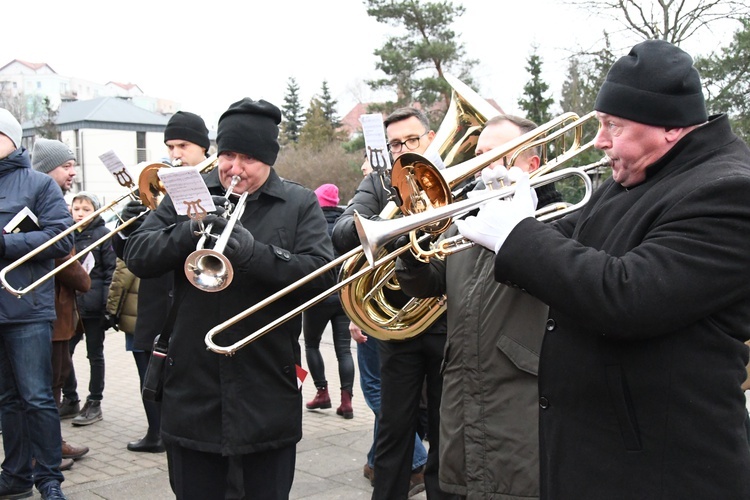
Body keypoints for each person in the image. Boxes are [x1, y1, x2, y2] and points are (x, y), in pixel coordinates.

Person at [456, 39, 750, 498]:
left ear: (670, 128)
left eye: (614, 125)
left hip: (661, 471)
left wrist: (517, 235)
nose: (600, 141)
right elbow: (573, 237)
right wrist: (519, 213)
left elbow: (629, 296)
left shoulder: (729, 190)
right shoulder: (641, 172)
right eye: (600, 124)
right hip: (597, 457)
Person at [123, 97, 334, 499]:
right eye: (228, 155)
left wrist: (256, 254)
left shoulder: (298, 203)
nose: (234, 169)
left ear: (269, 159)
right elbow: (137, 254)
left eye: (249, 158)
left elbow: (321, 279)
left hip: (265, 385)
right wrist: (187, 231)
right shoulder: (188, 194)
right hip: (192, 388)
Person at [395, 114, 561, 498]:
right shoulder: (463, 221)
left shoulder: (560, 220)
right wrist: (408, 242)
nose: (481, 165)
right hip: (461, 400)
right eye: (480, 153)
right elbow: (428, 283)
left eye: (497, 154)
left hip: (519, 405)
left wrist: (522, 235)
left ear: (531, 165)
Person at [332, 107, 455, 499]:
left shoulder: (459, 178)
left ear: (432, 138)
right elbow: (341, 231)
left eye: (411, 140)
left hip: (448, 321)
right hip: (398, 324)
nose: (403, 148)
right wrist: (393, 225)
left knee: (445, 429)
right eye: (395, 143)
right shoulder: (380, 182)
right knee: (393, 428)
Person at [110, 110, 212, 453]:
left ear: (204, 148)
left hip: (193, 300)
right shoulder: (165, 190)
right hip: (154, 298)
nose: (175, 154)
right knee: (149, 371)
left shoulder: (217, 183)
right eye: (170, 146)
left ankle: (177, 435)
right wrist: (128, 226)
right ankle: (157, 432)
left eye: (183, 145)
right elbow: (130, 254)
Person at [0, 108, 73, 500]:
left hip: (26, 308)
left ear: (11, 139)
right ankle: (14, 476)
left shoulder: (38, 185)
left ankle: (48, 480)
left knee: (37, 397)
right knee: (8, 400)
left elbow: (62, 238)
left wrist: (5, 244)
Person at [32, 138, 92, 470]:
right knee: (46, 385)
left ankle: (51, 442)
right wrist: (84, 280)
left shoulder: (52, 196)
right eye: (66, 166)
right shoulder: (45, 199)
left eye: (73, 165)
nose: (73, 172)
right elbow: (60, 255)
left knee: (54, 380)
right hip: (50, 311)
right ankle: (42, 449)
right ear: (46, 169)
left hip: (60, 312)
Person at [63, 191, 116, 426]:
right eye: (76, 209)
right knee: (64, 353)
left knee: (95, 355)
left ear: (95, 210)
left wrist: (106, 307)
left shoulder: (103, 235)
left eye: (86, 209)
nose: (80, 214)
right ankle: (70, 397)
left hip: (93, 306)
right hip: (70, 307)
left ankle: (94, 401)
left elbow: (110, 273)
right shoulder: (67, 235)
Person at [302, 183, 355, 418]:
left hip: (318, 297)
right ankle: (347, 402)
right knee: (344, 350)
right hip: (343, 296)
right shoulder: (346, 225)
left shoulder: (311, 224)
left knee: (311, 344)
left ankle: (322, 392)